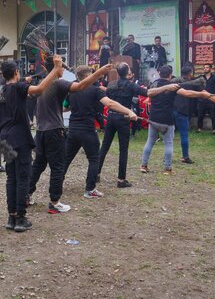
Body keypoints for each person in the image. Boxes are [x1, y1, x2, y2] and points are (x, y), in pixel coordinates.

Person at [28, 58, 112, 214]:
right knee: (58, 167)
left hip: (40, 132)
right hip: (54, 131)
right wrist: (99, 72)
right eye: (61, 69)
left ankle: (28, 194)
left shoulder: (40, 85)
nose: (63, 71)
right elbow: (81, 86)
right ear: (56, 68)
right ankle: (54, 202)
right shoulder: (58, 83)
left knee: (38, 165)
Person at [0, 56, 62, 231]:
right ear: (16, 72)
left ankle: (11, 217)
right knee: (23, 178)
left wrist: (23, 81)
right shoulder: (19, 87)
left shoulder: (0, 89)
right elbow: (40, 88)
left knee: (11, 178)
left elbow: (17, 89)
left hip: (4, 138)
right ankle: (20, 217)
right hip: (19, 138)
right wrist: (56, 69)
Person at [99, 63, 178, 187]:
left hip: (111, 117)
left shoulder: (111, 84)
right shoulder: (131, 86)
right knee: (123, 149)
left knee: (104, 146)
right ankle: (121, 180)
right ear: (128, 72)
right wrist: (165, 87)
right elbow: (149, 93)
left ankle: (96, 174)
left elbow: (107, 95)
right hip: (124, 117)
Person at [63, 65, 137, 198]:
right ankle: (90, 190)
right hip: (87, 130)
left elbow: (65, 108)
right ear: (86, 76)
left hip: (73, 129)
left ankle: (57, 183)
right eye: (91, 73)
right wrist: (129, 111)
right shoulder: (95, 90)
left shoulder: (72, 90)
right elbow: (110, 104)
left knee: (67, 158)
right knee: (94, 159)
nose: (94, 76)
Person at [140, 66, 215, 174]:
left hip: (154, 117)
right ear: (170, 75)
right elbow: (188, 94)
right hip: (167, 119)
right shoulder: (173, 86)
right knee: (168, 143)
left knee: (150, 141)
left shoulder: (153, 85)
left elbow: (148, 95)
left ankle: (143, 166)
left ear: (159, 73)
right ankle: (167, 169)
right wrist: (202, 94)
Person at [173, 67, 203, 164]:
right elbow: (203, 93)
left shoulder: (175, 81)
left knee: (168, 136)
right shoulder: (193, 83)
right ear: (190, 73)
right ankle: (185, 157)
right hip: (183, 111)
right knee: (184, 135)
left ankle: (167, 157)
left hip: (172, 110)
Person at [197, 64, 215, 134]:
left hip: (211, 99)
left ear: (211, 69)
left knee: (213, 115)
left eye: (207, 67)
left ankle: (214, 130)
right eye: (204, 67)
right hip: (202, 99)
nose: (205, 69)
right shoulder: (201, 77)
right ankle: (199, 128)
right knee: (200, 115)